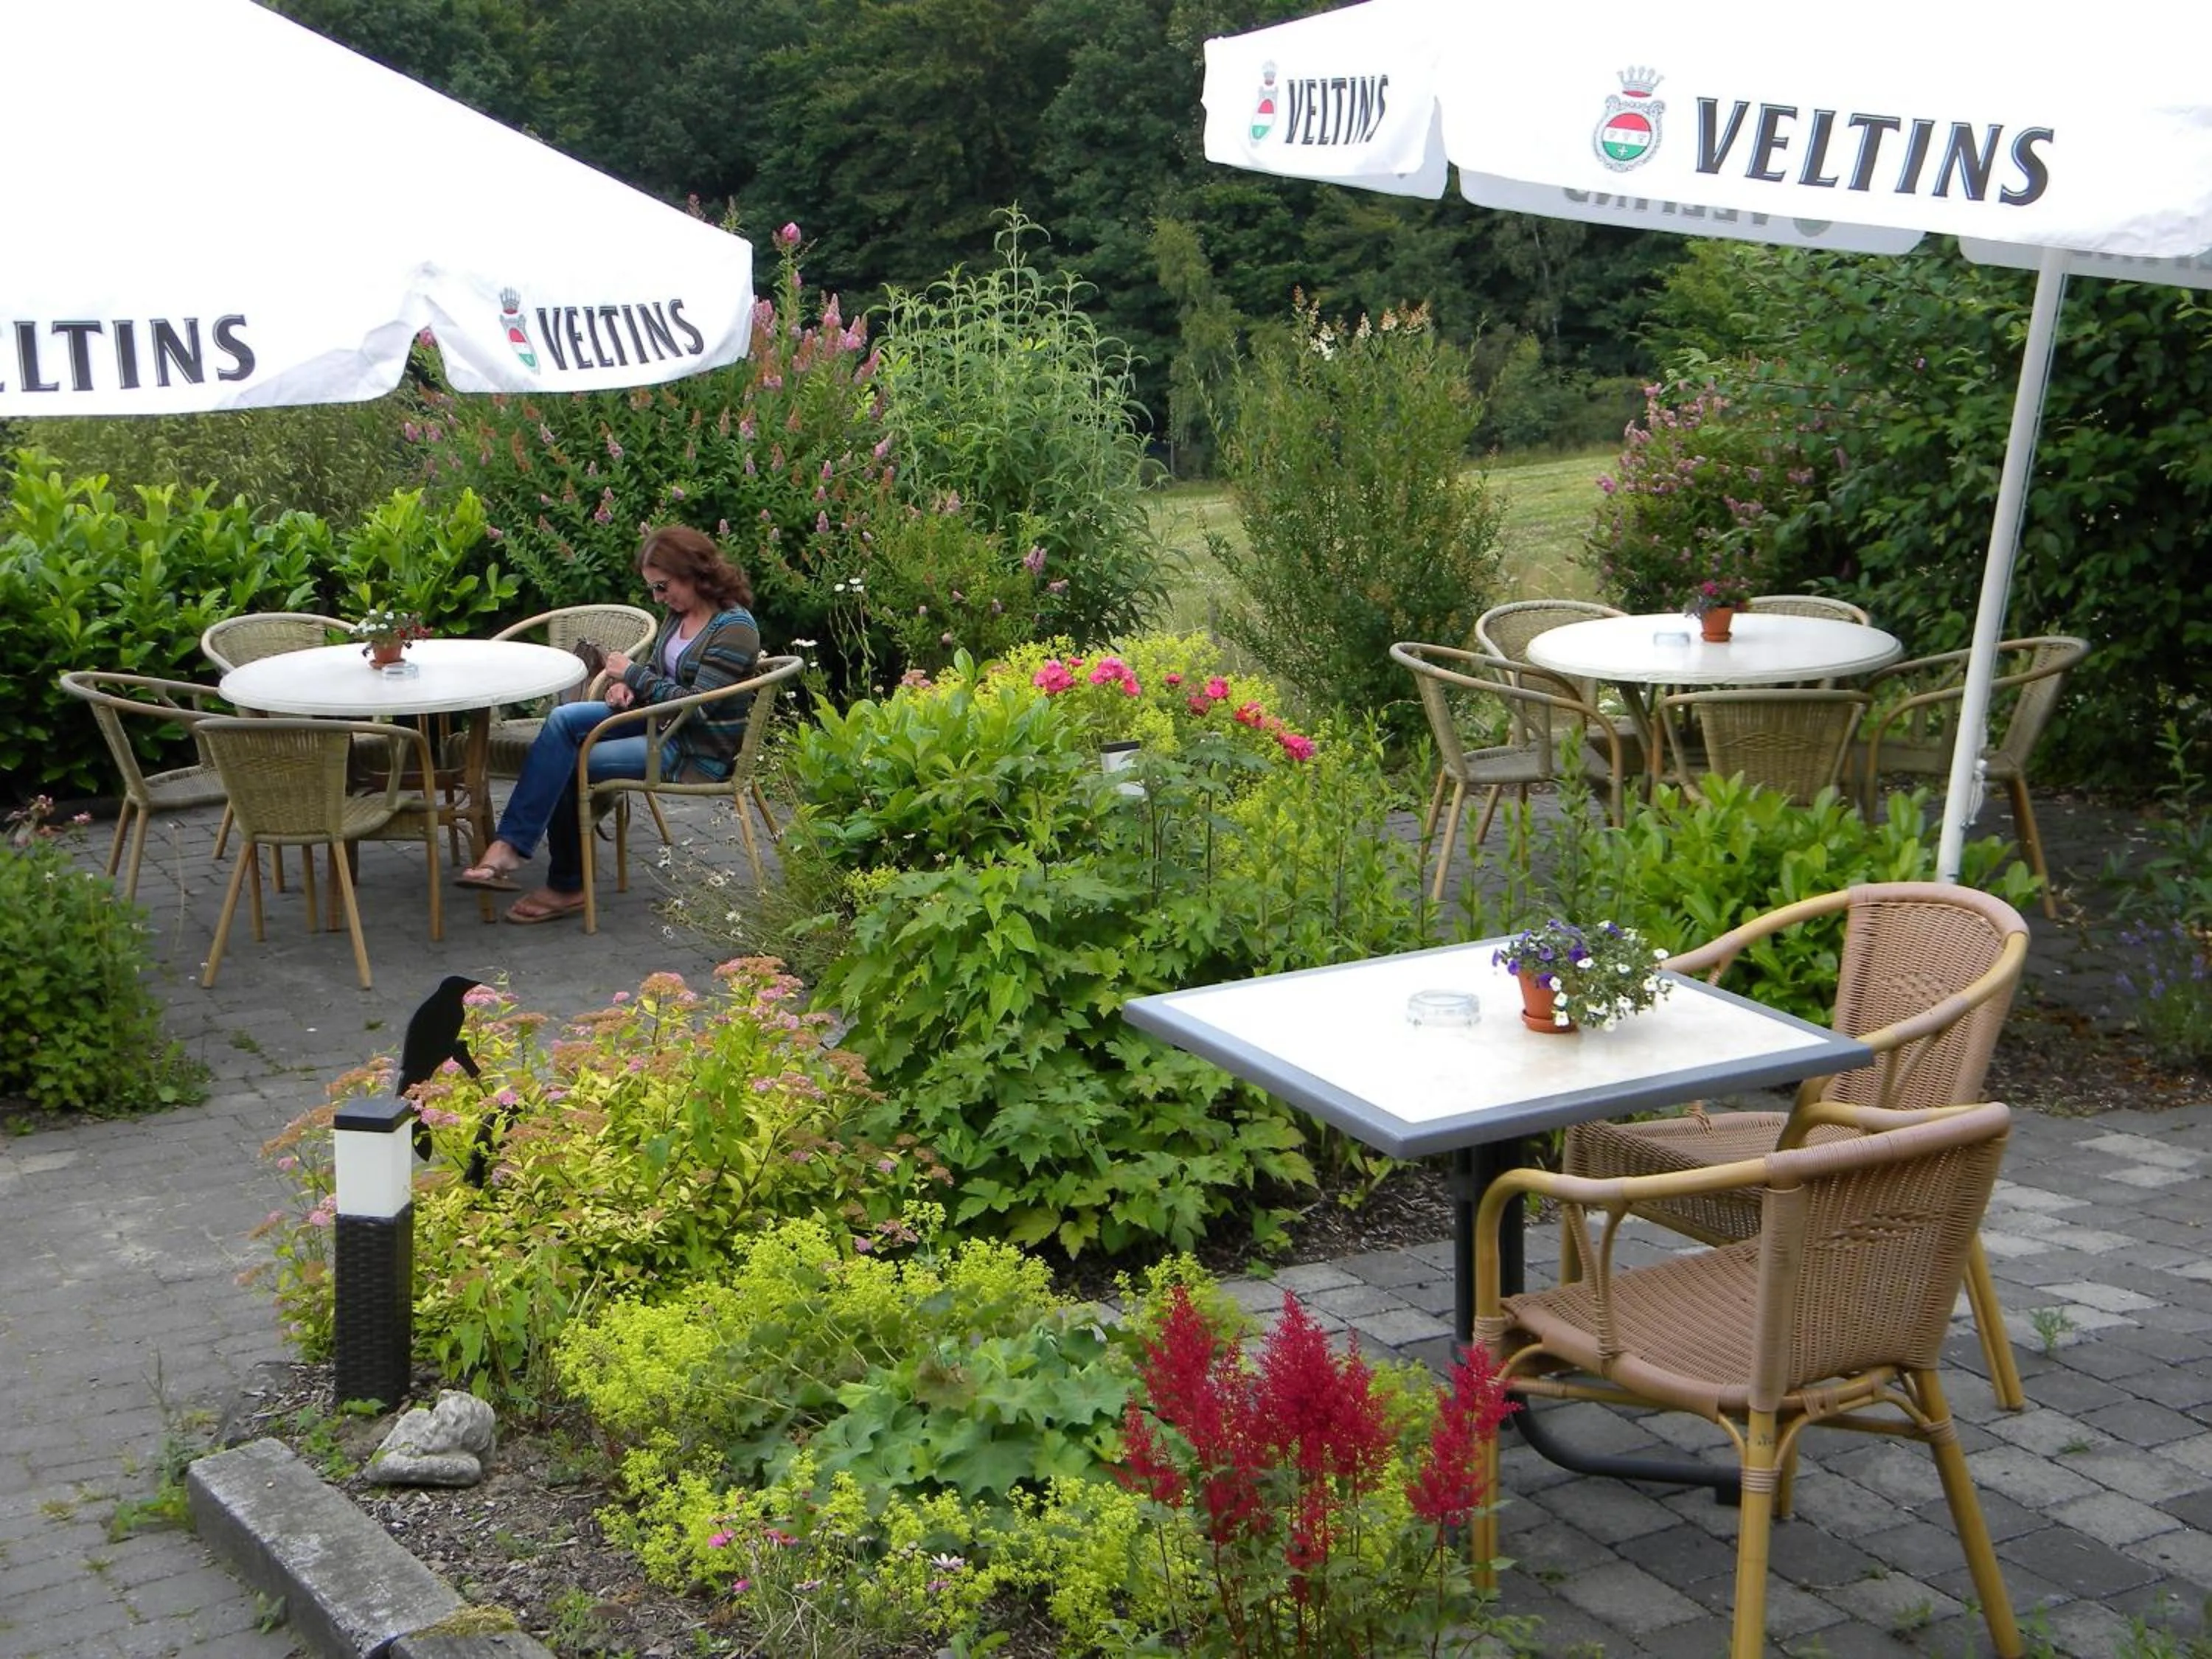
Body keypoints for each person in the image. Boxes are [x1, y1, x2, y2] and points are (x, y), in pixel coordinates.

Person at [456, 524, 761, 923]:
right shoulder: (677, 614)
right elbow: (658, 672)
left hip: (689, 747)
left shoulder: (734, 628)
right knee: (564, 721)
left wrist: (633, 675)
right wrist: (625, 690)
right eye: (654, 589)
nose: (658, 597)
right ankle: (509, 846)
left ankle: (567, 886)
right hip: (654, 720)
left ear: (695, 573)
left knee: (571, 760)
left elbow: (695, 706)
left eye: (663, 586)